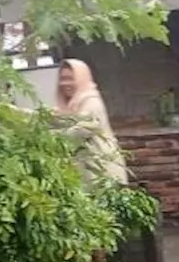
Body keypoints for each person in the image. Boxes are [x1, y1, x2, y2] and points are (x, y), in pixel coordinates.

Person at [55, 58, 128, 186]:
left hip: (105, 174)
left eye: (71, 78)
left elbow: (80, 130)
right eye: (62, 78)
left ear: (81, 79)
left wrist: (46, 138)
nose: (65, 83)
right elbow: (55, 117)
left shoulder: (92, 103)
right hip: (89, 175)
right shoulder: (72, 106)